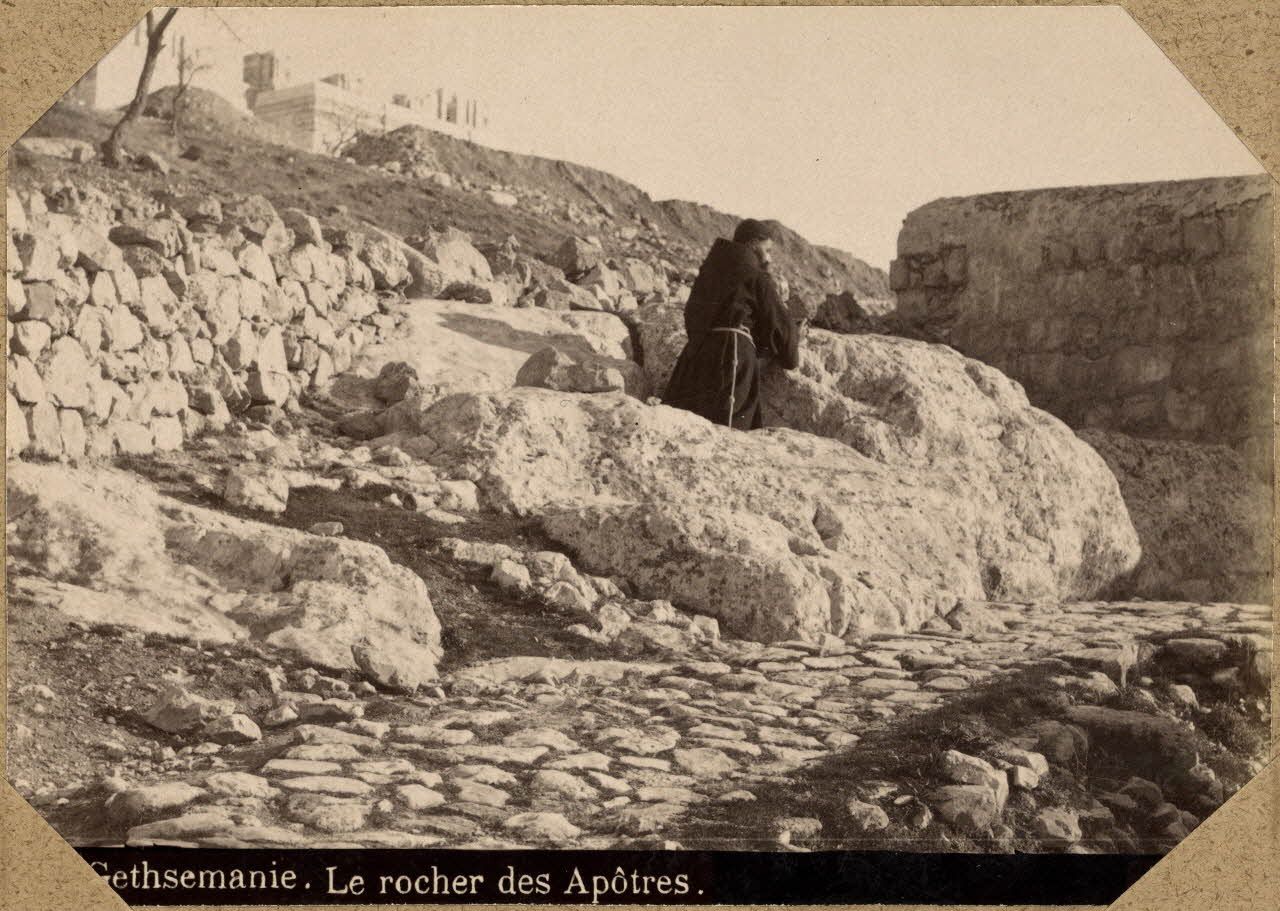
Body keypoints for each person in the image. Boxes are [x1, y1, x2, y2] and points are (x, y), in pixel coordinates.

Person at [661, 218, 801, 429]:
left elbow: (691, 313)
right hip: (732, 357)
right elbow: (782, 331)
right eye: (768, 250)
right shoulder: (756, 275)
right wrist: (791, 347)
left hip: (694, 360)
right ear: (753, 244)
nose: (769, 259)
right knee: (727, 431)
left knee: (683, 428)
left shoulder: (709, 271)